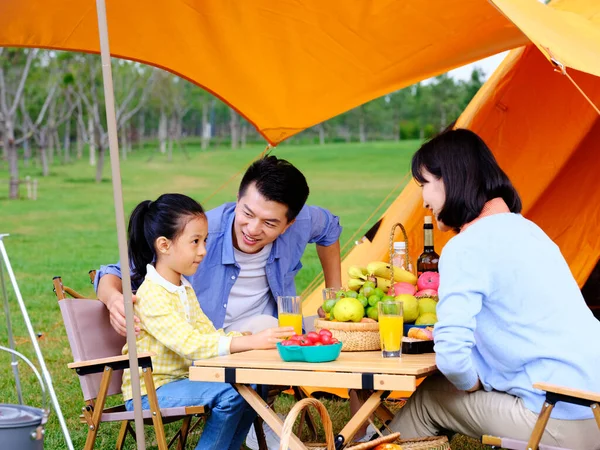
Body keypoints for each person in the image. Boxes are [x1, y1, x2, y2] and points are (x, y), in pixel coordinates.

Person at [387, 129, 600, 448]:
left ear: (449, 180)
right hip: (593, 408)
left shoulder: (467, 246)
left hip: (558, 418)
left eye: (424, 185)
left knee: (429, 397)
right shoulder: (530, 232)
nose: (424, 200)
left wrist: (471, 383)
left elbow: (452, 358)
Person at [95, 155, 342, 335]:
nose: (253, 229)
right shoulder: (199, 233)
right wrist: (114, 300)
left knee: (346, 332)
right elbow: (113, 273)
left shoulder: (302, 222)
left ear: (289, 223)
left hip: (272, 332)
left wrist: (334, 294)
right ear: (237, 198)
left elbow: (330, 228)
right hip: (208, 340)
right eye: (247, 213)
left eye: (269, 222)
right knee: (270, 327)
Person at [122, 193, 294, 450]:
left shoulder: (183, 288)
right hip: (151, 391)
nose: (203, 250)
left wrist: (249, 339)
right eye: (195, 242)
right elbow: (190, 345)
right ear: (164, 245)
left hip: (184, 381)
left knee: (253, 385)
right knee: (231, 395)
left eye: (204, 240)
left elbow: (209, 334)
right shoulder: (151, 294)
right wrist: (249, 342)